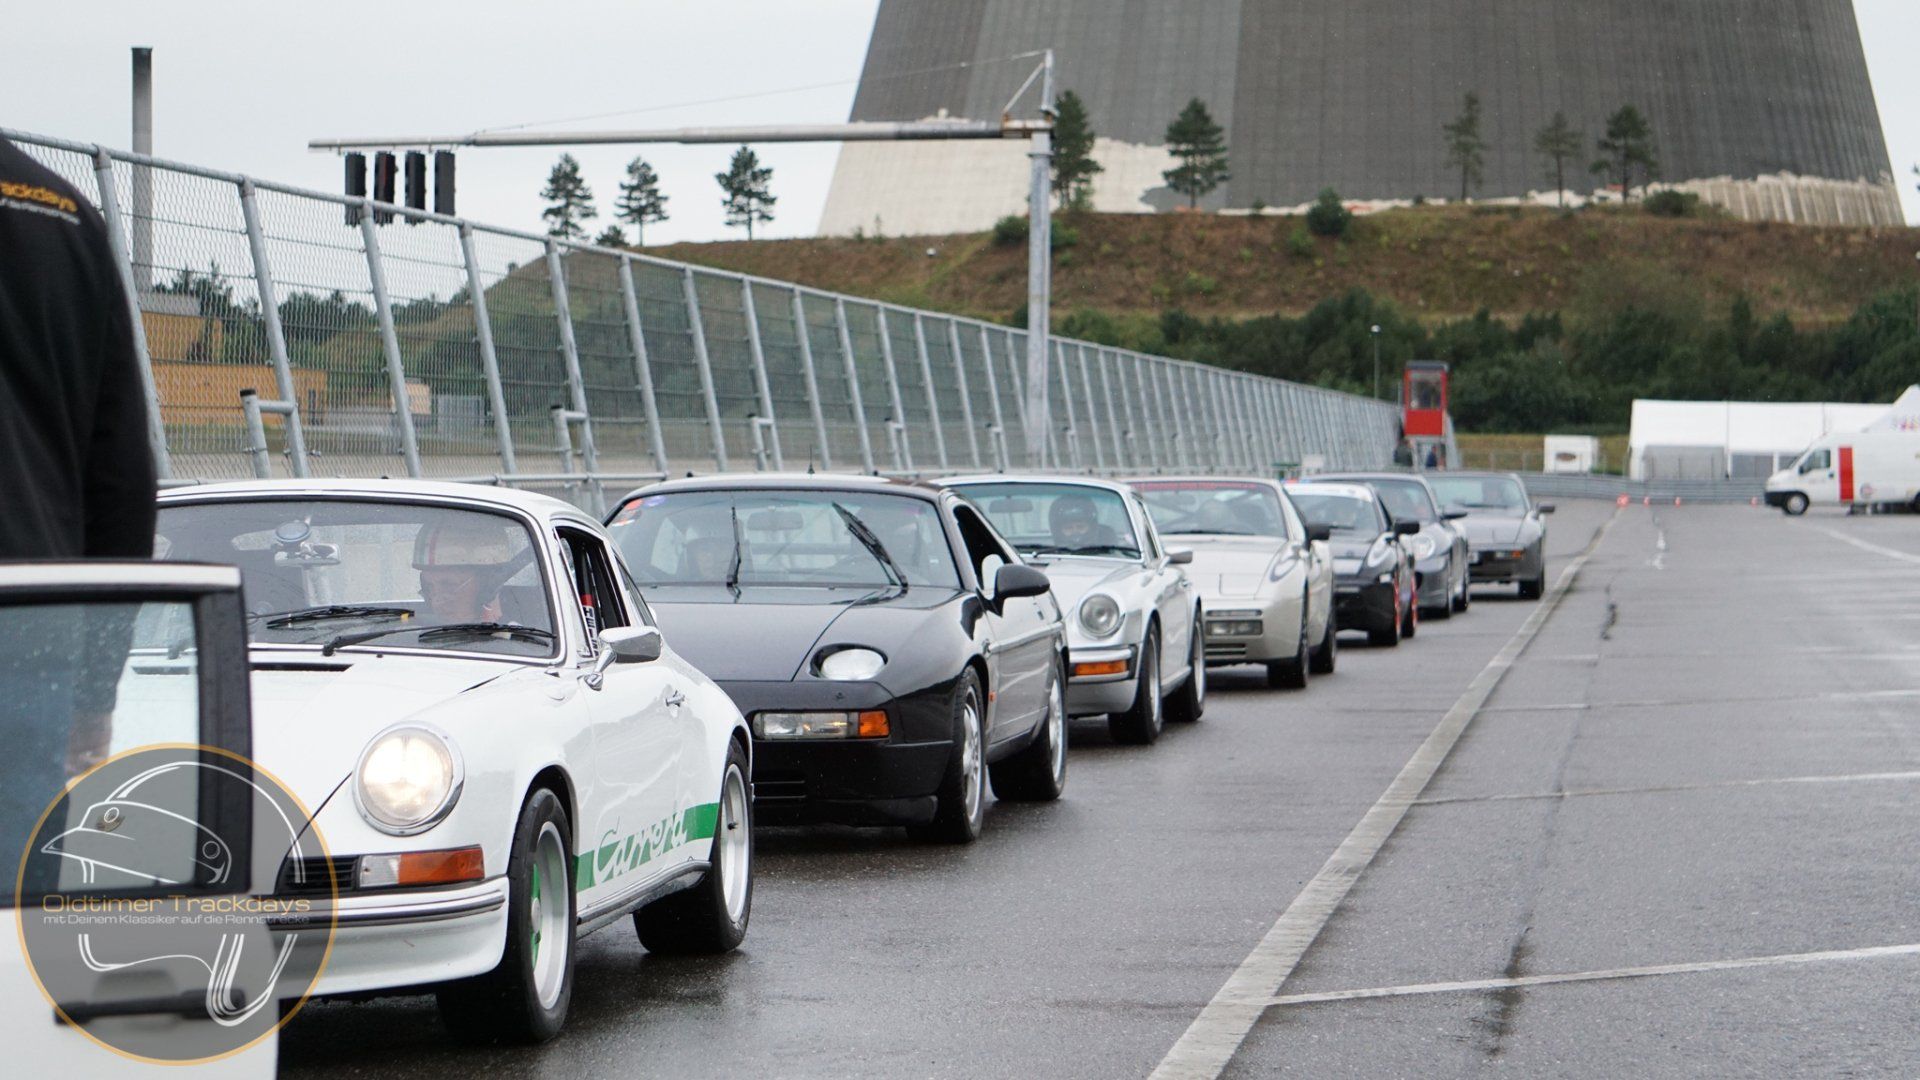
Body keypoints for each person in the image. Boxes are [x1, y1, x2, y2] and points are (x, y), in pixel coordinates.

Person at [0, 134, 158, 874]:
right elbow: (122, 477)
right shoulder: (65, 214)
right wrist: (95, 687)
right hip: (32, 627)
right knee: (18, 892)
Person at [412, 519, 515, 623]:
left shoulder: (517, 638)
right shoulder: (412, 635)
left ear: (488, 586)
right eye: (429, 588)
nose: (436, 602)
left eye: (449, 585)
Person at [1048, 494, 1120, 551]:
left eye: (1080, 527)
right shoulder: (1047, 557)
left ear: (1091, 528)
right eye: (1068, 528)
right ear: (1058, 531)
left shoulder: (1110, 554)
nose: (1075, 533)